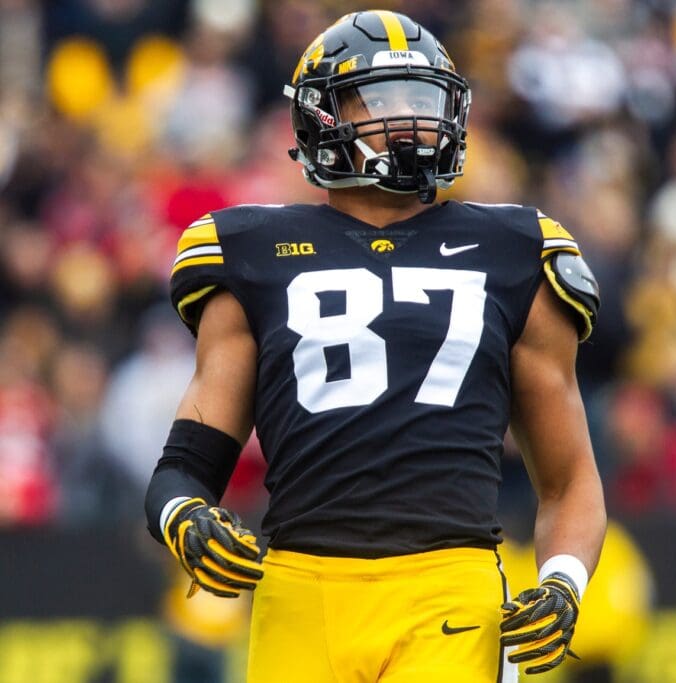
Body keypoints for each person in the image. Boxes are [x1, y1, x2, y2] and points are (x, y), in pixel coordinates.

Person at [143, 10, 606, 683]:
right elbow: (184, 467)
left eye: (424, 102)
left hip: (449, 584)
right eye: (382, 99)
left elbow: (569, 479)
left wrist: (562, 582)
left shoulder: (516, 249)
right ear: (320, 119)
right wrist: (185, 518)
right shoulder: (251, 251)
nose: (411, 120)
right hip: (300, 588)